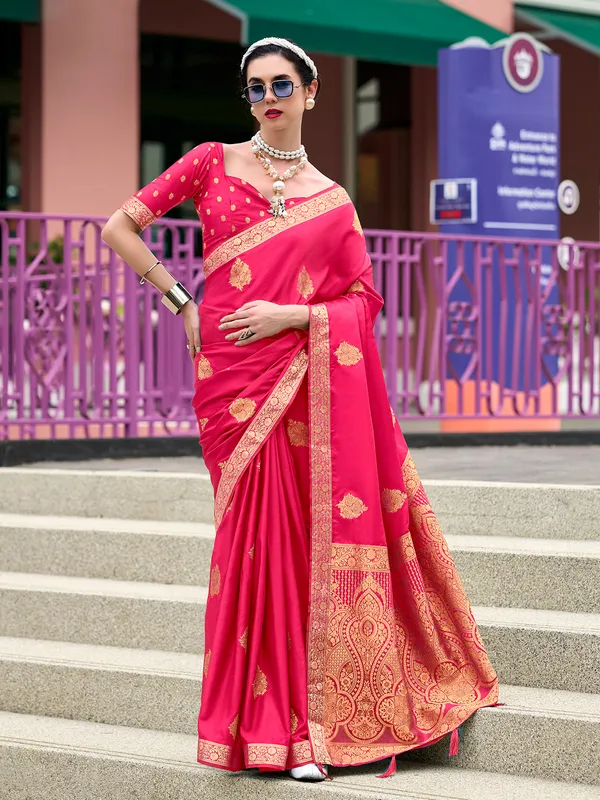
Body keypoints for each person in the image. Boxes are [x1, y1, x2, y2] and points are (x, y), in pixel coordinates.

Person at [102, 36, 499, 783]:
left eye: (281, 84)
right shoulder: (211, 161)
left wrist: (294, 318)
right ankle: (255, 728)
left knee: (296, 543)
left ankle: (304, 731)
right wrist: (179, 295)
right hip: (229, 381)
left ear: (312, 92)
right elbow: (120, 225)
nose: (267, 99)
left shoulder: (332, 200)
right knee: (247, 545)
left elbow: (361, 300)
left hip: (300, 374)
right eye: (254, 88)